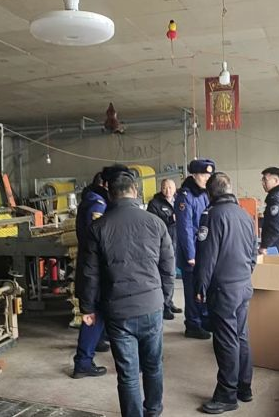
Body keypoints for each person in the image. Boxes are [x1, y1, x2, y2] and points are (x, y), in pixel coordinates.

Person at [79, 166, 175, 417]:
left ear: (110, 194)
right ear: (135, 191)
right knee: (153, 365)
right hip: (151, 305)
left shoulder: (98, 228)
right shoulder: (156, 223)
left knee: (128, 373)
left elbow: (90, 273)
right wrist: (164, 298)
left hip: (118, 311)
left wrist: (87, 307)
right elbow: (168, 266)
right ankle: (153, 410)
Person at [194, 173, 256, 415]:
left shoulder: (211, 216)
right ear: (229, 189)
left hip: (223, 289)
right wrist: (245, 274)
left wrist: (200, 286)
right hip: (243, 284)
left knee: (226, 340)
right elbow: (253, 252)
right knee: (241, 336)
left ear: (210, 193)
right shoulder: (244, 214)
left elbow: (206, 256)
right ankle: (244, 387)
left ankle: (227, 395)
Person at [72, 171, 110, 379]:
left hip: (90, 265)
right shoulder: (97, 204)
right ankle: (83, 362)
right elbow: (98, 237)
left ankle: (96, 344)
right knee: (94, 314)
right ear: (104, 185)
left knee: (98, 314)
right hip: (93, 267)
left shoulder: (90, 199)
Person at [175, 159, 215, 340]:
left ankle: (204, 319)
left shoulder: (204, 193)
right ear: (194, 175)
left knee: (203, 286)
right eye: (203, 175)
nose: (207, 178)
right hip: (191, 251)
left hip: (203, 249)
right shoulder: (185, 196)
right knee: (192, 290)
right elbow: (185, 228)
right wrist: (190, 255)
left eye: (209, 175)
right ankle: (192, 324)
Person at [146, 178, 183, 320]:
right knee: (166, 275)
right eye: (165, 187)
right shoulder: (155, 204)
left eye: (170, 188)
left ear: (175, 188)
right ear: (161, 188)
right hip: (163, 245)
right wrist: (171, 219)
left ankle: (169, 302)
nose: (168, 190)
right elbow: (153, 225)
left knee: (172, 275)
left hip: (177, 242)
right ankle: (164, 306)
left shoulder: (179, 201)